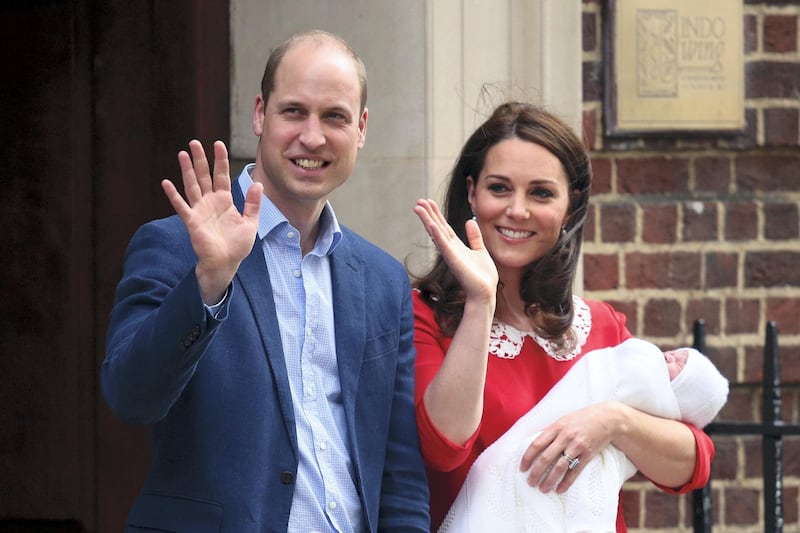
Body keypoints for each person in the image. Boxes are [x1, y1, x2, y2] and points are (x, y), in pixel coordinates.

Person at [102, 30, 429, 532]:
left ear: (361, 128)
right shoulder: (173, 246)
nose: (313, 137)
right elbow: (131, 397)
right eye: (294, 111)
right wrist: (209, 281)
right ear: (260, 114)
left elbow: (400, 472)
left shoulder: (383, 280)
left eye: (335, 117)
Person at [411, 101, 715, 531]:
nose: (518, 210)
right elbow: (444, 447)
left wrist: (612, 421)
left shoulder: (602, 326)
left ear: (569, 208)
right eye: (499, 188)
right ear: (471, 193)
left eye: (541, 193)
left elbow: (692, 464)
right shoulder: (422, 316)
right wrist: (481, 303)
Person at [438, 338, 729, 532]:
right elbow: (440, 442)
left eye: (681, 365)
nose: (667, 356)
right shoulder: (432, 322)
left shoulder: (603, 326)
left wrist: (614, 420)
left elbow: (696, 457)